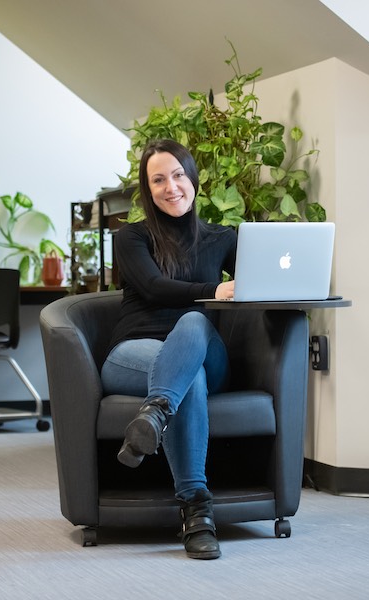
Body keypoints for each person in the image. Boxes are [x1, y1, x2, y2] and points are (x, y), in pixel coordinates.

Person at [101, 139, 236, 560]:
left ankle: (155, 413)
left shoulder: (222, 237)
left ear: (193, 178)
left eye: (178, 174)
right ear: (147, 188)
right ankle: (197, 511)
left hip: (202, 348)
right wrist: (214, 289)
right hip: (134, 352)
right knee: (187, 375)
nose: (170, 186)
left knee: (193, 321)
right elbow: (155, 289)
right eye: (158, 179)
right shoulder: (131, 237)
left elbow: (263, 282)